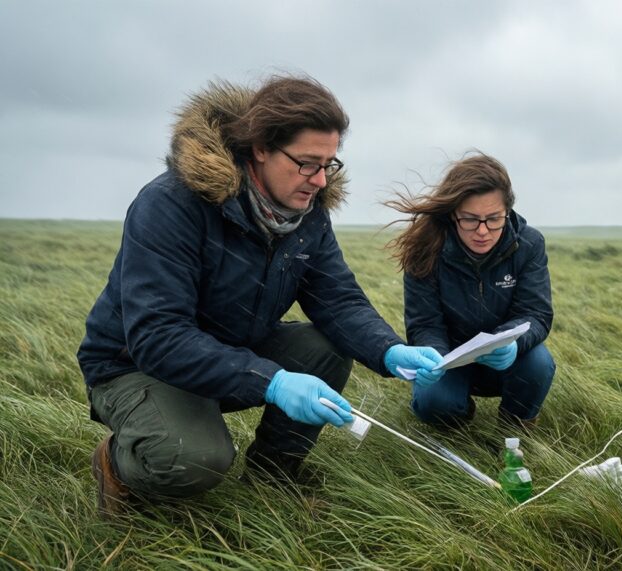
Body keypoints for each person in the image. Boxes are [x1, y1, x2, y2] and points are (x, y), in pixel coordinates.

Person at [78, 75, 445, 517]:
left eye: (330, 164)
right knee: (193, 459)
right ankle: (119, 463)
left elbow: (338, 300)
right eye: (308, 163)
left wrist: (390, 351)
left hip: (230, 348)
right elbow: (158, 335)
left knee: (326, 348)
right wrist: (270, 380)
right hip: (134, 365)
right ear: (261, 148)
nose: (320, 180)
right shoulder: (171, 204)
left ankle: (274, 477)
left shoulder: (308, 213)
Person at [386, 153, 555, 428]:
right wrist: (435, 358)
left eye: (494, 219)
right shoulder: (425, 247)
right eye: (470, 219)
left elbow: (536, 313)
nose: (483, 231)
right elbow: (425, 323)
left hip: (505, 356)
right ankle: (459, 416)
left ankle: (515, 426)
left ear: (507, 212)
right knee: (434, 402)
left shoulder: (529, 243)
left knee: (538, 362)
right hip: (450, 359)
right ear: (453, 214)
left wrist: (509, 343)